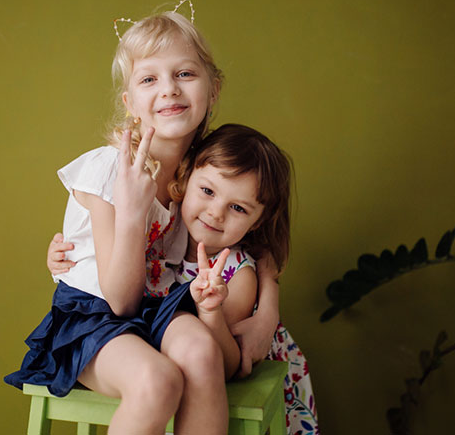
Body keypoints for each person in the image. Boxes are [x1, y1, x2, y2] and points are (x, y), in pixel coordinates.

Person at [6, 2, 231, 435]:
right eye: (150, 79)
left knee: (204, 353)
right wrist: (131, 212)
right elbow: (120, 301)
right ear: (130, 103)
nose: (168, 89)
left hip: (158, 307)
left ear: (213, 88)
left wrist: (266, 300)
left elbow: (252, 228)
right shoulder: (109, 170)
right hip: (95, 315)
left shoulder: (202, 175)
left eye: (184, 73)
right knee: (157, 380)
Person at [51, 124, 320, 434]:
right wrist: (67, 249)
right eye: (207, 191)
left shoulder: (235, 274)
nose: (216, 213)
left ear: (257, 220)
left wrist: (213, 311)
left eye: (237, 208)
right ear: (185, 180)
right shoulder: (170, 215)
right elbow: (104, 239)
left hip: (232, 359)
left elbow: (229, 364)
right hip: (140, 341)